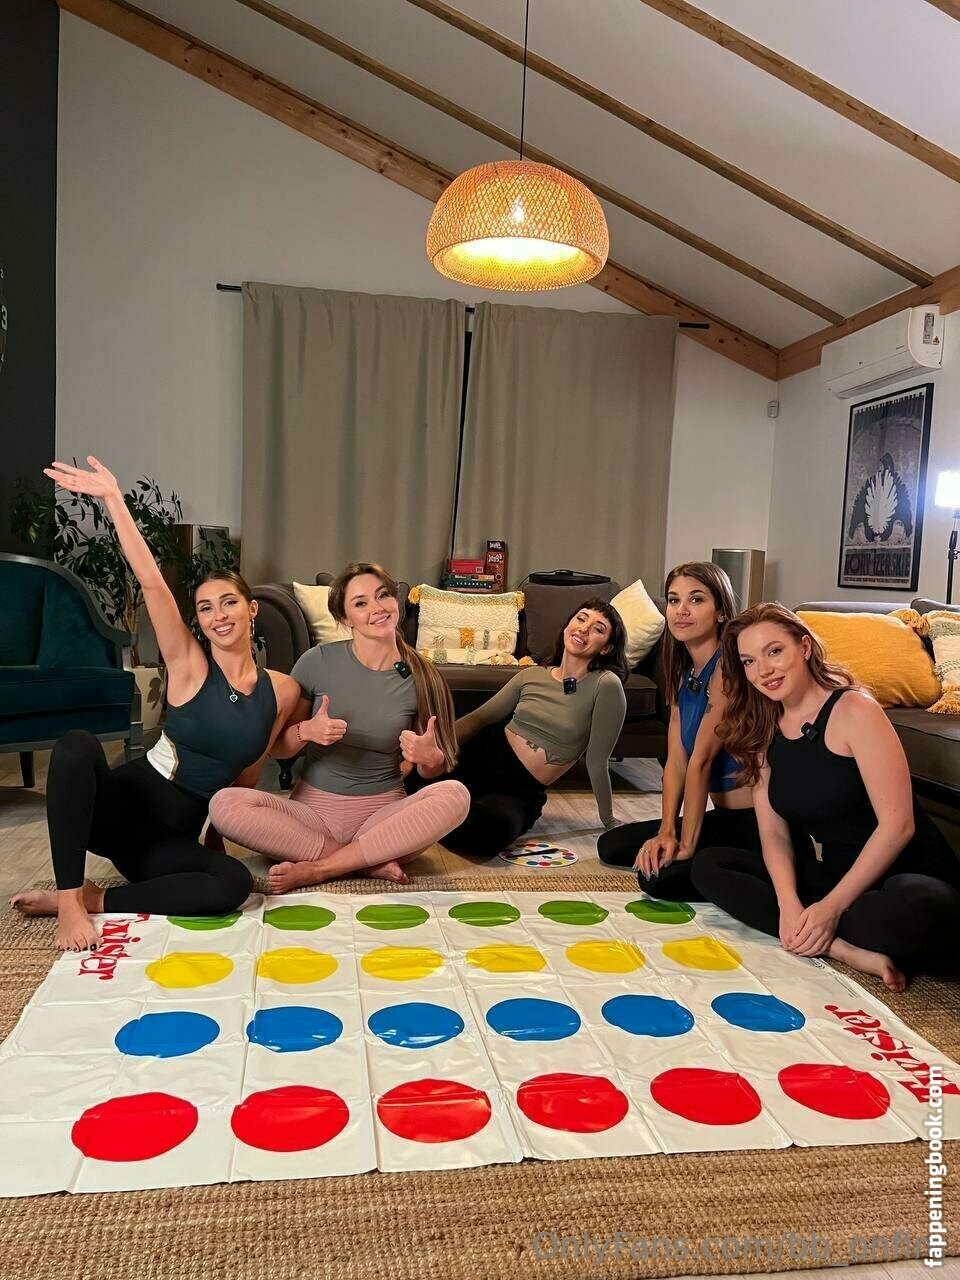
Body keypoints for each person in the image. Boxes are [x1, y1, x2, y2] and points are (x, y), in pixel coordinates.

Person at [10, 457, 301, 952]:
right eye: (205, 608)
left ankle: (97, 899)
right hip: (122, 808)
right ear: (199, 621)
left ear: (252, 609)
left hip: (169, 841)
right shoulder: (190, 666)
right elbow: (152, 582)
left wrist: (215, 837)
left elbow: (247, 774)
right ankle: (69, 899)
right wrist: (113, 499)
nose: (218, 615)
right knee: (75, 746)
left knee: (232, 885)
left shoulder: (283, 689)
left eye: (228, 602)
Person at [692, 603, 960, 991]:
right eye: (749, 661)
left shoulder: (855, 710)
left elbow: (898, 825)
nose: (763, 670)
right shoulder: (764, 726)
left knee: (915, 909)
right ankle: (838, 947)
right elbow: (774, 833)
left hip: (908, 878)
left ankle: (828, 928)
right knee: (709, 866)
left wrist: (831, 908)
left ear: (804, 647)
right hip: (837, 877)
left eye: (774, 651)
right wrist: (788, 904)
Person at [207, 562, 470, 891]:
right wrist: (307, 732)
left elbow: (433, 770)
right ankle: (366, 863)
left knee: (456, 795)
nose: (376, 608)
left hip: (381, 819)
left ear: (396, 601)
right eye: (360, 603)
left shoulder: (423, 676)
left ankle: (321, 869)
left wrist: (430, 758)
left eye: (383, 596)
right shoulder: (317, 661)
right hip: (312, 817)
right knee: (224, 804)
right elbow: (278, 749)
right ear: (345, 618)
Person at [598, 563, 757, 899]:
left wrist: (684, 844)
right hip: (722, 818)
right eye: (673, 600)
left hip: (755, 825)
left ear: (721, 612)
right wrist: (666, 829)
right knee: (612, 846)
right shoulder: (684, 672)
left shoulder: (727, 669)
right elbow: (676, 762)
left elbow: (701, 761)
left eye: (696, 600)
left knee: (657, 879)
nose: (681, 610)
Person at [431, 598, 628, 858]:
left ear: (606, 648)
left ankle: (429, 814)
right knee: (411, 778)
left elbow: (597, 761)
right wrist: (433, 745)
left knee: (483, 838)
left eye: (598, 629)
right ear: (567, 626)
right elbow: (477, 719)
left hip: (518, 790)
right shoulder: (531, 675)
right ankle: (430, 809)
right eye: (581, 619)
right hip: (480, 758)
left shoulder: (606, 685)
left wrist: (608, 819)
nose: (584, 628)